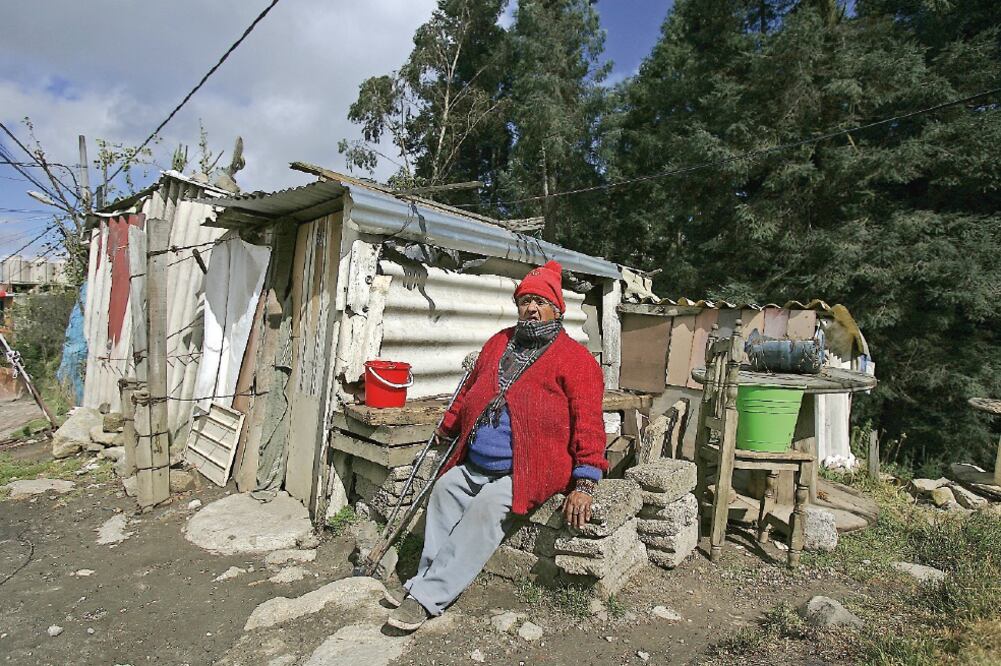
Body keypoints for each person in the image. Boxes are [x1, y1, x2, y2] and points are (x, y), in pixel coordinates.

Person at [385, 260, 607, 632]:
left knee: (487, 509)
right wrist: (450, 425)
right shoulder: (499, 342)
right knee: (445, 490)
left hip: (530, 469)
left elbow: (590, 423)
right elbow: (471, 391)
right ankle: (427, 583)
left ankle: (425, 599)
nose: (531, 309)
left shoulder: (576, 360)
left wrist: (585, 482)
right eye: (525, 301)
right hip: (477, 463)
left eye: (540, 301)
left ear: (557, 309)